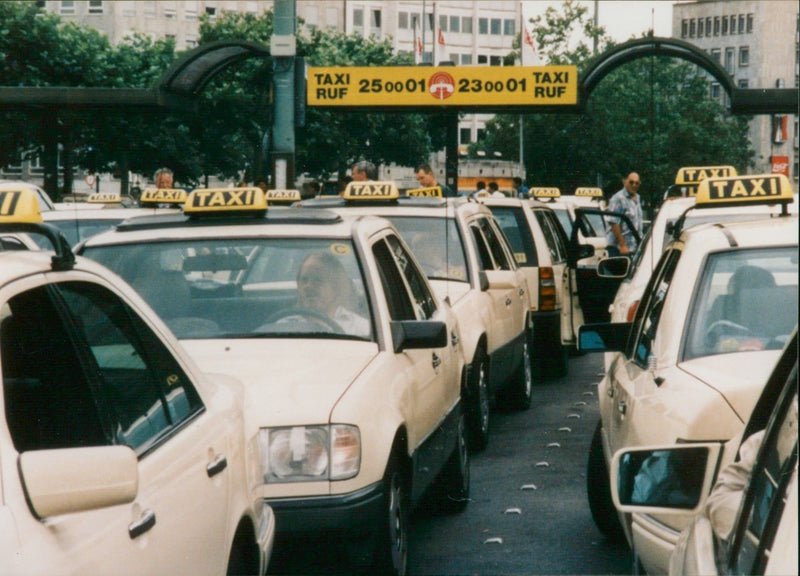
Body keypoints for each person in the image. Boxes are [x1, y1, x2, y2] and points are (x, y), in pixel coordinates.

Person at [294, 252, 369, 336]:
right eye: (304, 280)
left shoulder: (361, 329)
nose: (308, 286)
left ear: (336, 286)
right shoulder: (282, 326)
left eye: (317, 280)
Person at [605, 171, 643, 256]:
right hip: (619, 250)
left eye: (637, 183)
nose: (634, 185)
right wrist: (622, 245)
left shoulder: (638, 198)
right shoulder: (618, 198)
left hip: (633, 249)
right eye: (631, 182)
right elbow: (614, 222)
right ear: (624, 181)